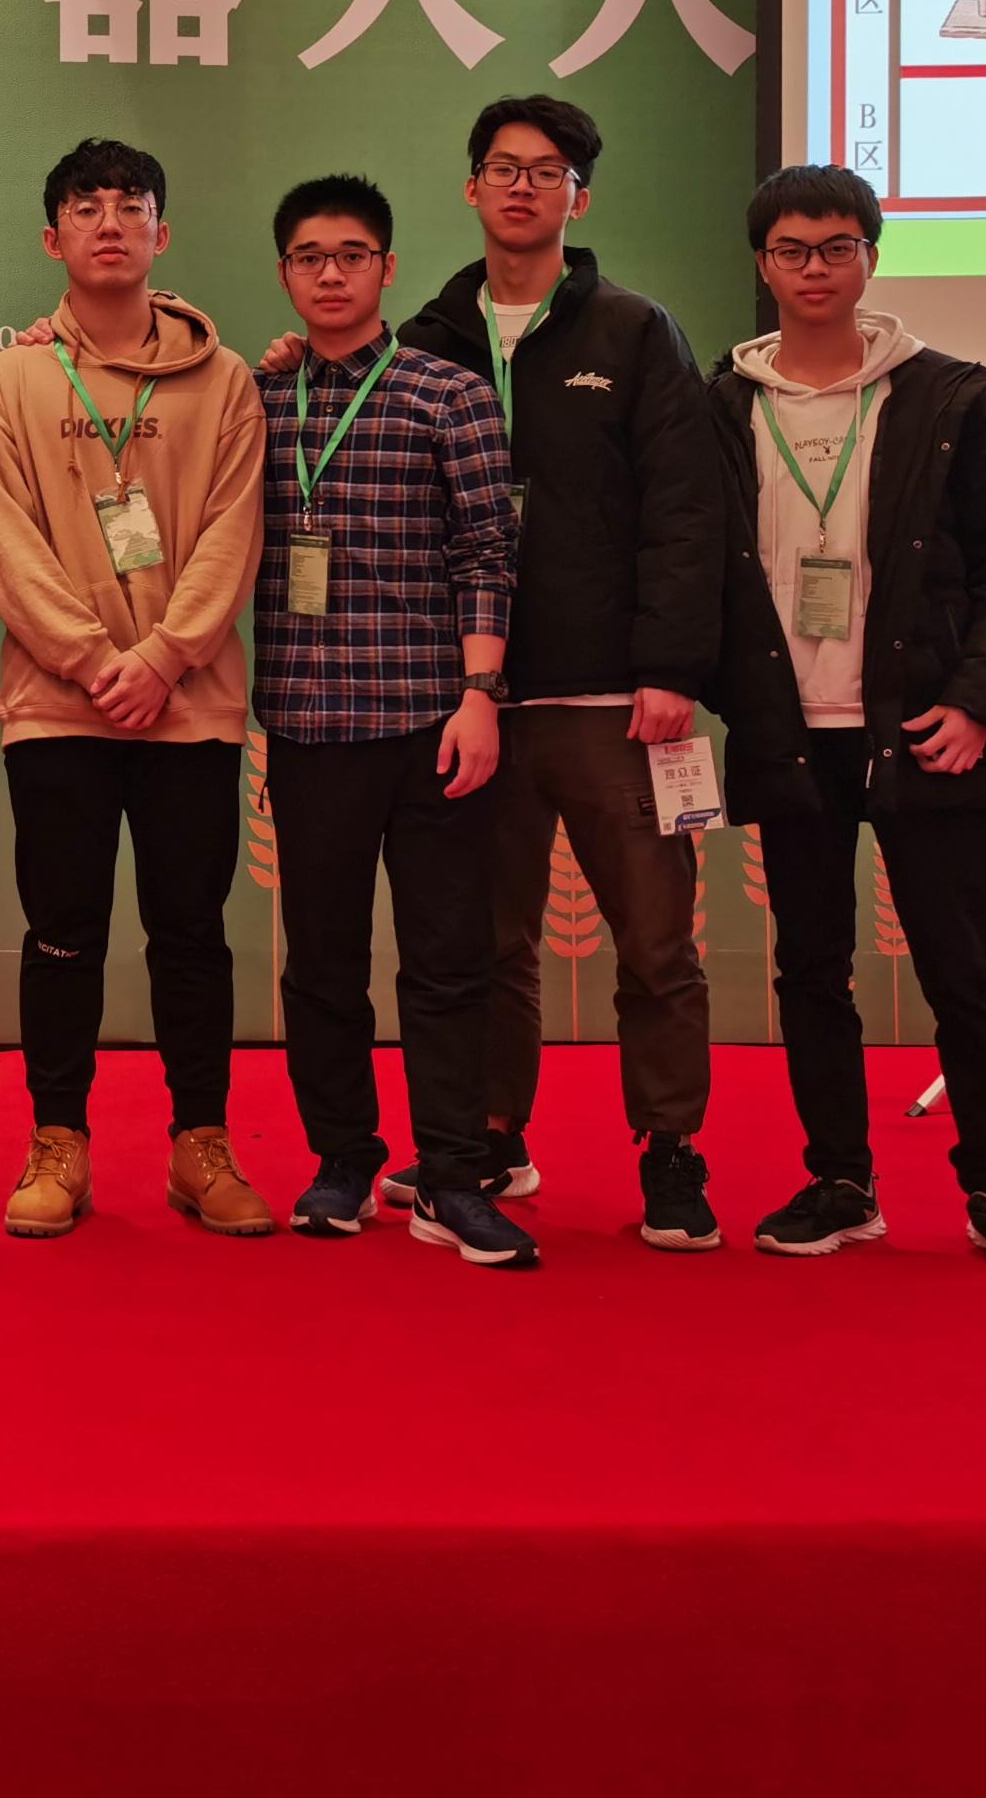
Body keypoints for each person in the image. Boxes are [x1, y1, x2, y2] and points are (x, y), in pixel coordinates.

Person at [708, 166, 986, 1279]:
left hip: (921, 729)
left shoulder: (952, 399)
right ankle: (840, 1179)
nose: (814, 269)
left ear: (872, 256)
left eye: (836, 247)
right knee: (812, 970)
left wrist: (977, 706)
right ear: (762, 264)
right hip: (789, 732)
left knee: (963, 970)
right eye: (791, 250)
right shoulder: (723, 403)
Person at [386, 96, 726, 1249]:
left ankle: (670, 1151)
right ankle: (492, 1138)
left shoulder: (634, 332)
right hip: (472, 702)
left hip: (615, 700)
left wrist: (669, 665)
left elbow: (687, 509)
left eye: (547, 171)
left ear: (581, 196)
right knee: (488, 942)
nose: (522, 186)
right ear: (470, 188)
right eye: (502, 167)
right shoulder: (427, 336)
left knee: (657, 944)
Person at [0, 137, 267, 1239]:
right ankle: (59, 1142)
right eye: (85, 207)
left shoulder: (227, 382)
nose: (108, 222)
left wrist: (167, 656)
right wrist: (96, 661)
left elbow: (234, 532)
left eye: (129, 205)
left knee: (191, 931)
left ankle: (201, 1144)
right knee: (63, 931)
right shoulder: (9, 381)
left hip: (191, 707)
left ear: (161, 233)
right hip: (59, 708)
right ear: (53, 238)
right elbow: (5, 544)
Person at [253, 174, 538, 1269]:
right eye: (309, 257)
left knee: (449, 961)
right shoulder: (256, 401)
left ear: (387, 268)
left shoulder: (445, 394)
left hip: (430, 723)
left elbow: (487, 552)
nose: (331, 274)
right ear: (285, 272)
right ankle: (341, 1159)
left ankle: (454, 1174)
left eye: (352, 255)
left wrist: (480, 695)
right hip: (305, 724)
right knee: (321, 964)